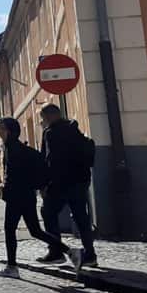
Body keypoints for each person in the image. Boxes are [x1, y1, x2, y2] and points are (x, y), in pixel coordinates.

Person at [0, 117, 76, 278]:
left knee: (10, 230)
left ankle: (12, 267)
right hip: (27, 195)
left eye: (2, 129)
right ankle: (72, 252)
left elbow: (14, 175)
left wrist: (5, 188)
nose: (0, 132)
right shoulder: (21, 148)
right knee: (35, 231)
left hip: (16, 197)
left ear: (10, 131)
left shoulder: (12, 149)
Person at [37, 103, 99, 268]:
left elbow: (49, 160)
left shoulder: (50, 133)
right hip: (80, 180)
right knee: (81, 217)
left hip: (61, 183)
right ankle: (90, 254)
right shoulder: (74, 129)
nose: (42, 122)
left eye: (43, 118)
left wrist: (44, 184)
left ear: (49, 116)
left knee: (48, 212)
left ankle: (56, 251)